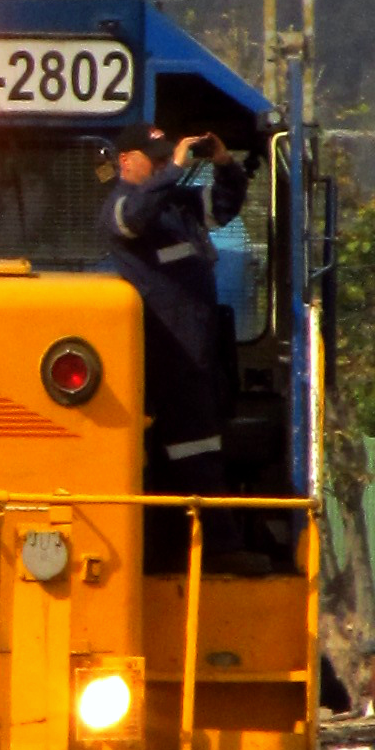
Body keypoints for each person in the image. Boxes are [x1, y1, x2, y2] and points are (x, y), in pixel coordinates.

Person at [102, 128, 254, 569]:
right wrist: (175, 171)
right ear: (127, 160)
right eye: (156, 158)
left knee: (203, 447)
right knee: (191, 450)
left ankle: (208, 547)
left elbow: (225, 206)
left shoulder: (177, 207)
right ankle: (217, 549)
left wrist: (224, 162)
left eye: (168, 155)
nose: (166, 162)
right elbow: (134, 216)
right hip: (165, 354)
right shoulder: (120, 208)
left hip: (199, 351)